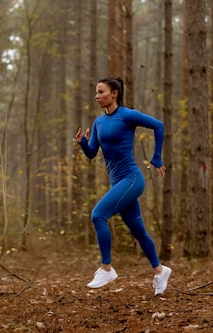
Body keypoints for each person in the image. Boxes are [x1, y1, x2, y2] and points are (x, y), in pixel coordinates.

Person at [75, 77, 172, 295]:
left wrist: (156, 157)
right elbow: (92, 153)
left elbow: (158, 125)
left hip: (131, 179)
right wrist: (82, 143)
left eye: (101, 92)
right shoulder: (99, 123)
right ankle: (160, 270)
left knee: (98, 215)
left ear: (114, 93)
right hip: (118, 182)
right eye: (96, 92)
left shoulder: (126, 115)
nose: (97, 96)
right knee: (138, 231)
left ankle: (106, 268)